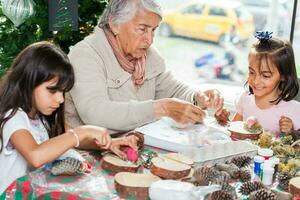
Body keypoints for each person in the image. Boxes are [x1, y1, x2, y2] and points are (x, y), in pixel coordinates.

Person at [65, 0, 224, 133]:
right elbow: (96, 114)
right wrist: (160, 108)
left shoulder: (147, 55)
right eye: (142, 29)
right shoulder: (85, 54)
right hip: (89, 153)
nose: (150, 40)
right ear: (114, 24)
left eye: (153, 30)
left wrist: (198, 97)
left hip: (133, 145)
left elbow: (172, 89)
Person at [0, 42, 137, 194]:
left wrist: (109, 142)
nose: (60, 99)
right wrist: (82, 132)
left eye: (63, 92)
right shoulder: (12, 117)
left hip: (33, 192)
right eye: (53, 91)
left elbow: (72, 140)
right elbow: (35, 155)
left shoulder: (42, 117)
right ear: (28, 82)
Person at [231, 31, 300, 135]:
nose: (255, 80)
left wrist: (291, 132)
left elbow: (296, 147)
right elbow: (232, 132)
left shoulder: (293, 110)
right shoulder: (245, 99)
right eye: (251, 72)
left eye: (265, 75)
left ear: (283, 76)